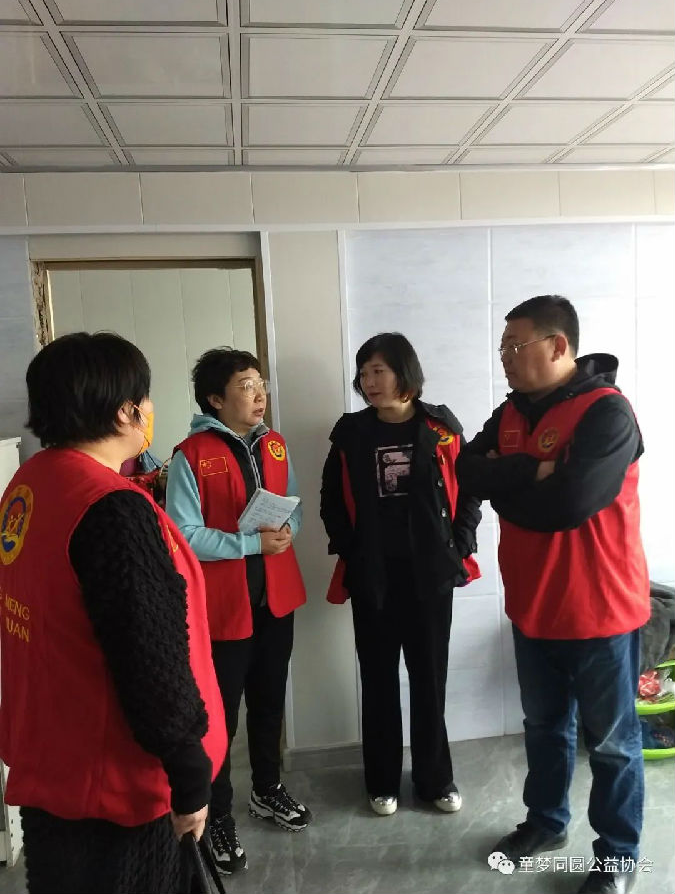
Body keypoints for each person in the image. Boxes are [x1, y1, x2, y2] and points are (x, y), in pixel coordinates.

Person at [0, 332, 227, 894]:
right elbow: (149, 653)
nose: (150, 409)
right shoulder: (110, 509)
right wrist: (188, 773)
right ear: (126, 411)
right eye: (145, 398)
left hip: (54, 761)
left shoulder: (31, 484)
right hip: (118, 786)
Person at [456, 296, 649, 894]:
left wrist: (507, 486)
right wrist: (531, 472)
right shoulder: (510, 412)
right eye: (503, 350)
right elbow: (466, 470)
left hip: (600, 610)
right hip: (532, 606)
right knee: (544, 727)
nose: (505, 359)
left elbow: (571, 503)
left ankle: (617, 857)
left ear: (558, 346)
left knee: (612, 745)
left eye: (515, 347)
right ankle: (546, 823)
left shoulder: (607, 412)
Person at [320, 332, 481, 817]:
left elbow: (468, 490)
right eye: (364, 372)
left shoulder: (441, 427)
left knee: (429, 680)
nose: (369, 381)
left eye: (379, 370)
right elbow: (331, 500)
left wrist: (460, 544)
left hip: (430, 575)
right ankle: (382, 781)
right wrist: (351, 549)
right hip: (374, 576)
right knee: (378, 680)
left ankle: (436, 780)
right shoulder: (350, 433)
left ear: (403, 372)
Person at [166, 347, 311, 875]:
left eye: (260, 384)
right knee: (220, 719)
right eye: (246, 385)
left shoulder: (275, 444)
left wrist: (288, 528)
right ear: (215, 399)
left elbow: (292, 503)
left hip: (276, 599)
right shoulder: (191, 454)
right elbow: (183, 534)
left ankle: (267, 790)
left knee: (270, 703)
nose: (259, 394)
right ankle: (219, 815)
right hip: (224, 609)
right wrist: (249, 544)